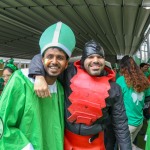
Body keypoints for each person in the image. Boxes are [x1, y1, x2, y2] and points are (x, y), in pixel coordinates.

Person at [29, 40, 132, 150]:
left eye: (99, 57)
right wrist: (38, 75)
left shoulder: (114, 89)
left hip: (95, 144)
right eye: (90, 57)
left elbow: (120, 124)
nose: (95, 60)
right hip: (65, 141)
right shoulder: (69, 74)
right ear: (83, 60)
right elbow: (41, 57)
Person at [0, 21, 76, 150]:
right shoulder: (20, 80)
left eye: (60, 58)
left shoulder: (60, 89)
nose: (54, 61)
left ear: (66, 63)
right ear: (42, 59)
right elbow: (3, 124)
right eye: (50, 56)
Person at [116, 55, 150, 150]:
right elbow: (147, 99)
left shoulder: (120, 81)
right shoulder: (144, 80)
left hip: (127, 123)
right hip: (139, 122)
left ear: (122, 67)